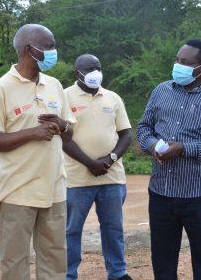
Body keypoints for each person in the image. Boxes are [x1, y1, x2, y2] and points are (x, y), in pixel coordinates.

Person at [137, 39, 201, 280]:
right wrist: (153, 146)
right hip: (161, 191)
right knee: (162, 260)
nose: (178, 66)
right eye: (177, 60)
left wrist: (184, 148)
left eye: (185, 62)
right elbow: (143, 128)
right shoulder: (162, 90)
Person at [0, 24, 75, 280]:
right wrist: (31, 133)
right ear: (28, 50)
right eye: (48, 46)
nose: (54, 51)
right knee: (14, 262)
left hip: (54, 189)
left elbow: (69, 135)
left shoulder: (54, 85)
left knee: (55, 258)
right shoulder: (1, 88)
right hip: (18, 191)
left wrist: (62, 123)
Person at [63, 54, 133, 280]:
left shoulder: (112, 97)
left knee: (113, 229)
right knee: (71, 231)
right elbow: (63, 139)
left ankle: (118, 272)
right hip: (76, 179)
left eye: (98, 67)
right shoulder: (63, 97)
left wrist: (110, 159)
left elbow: (126, 133)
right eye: (89, 68)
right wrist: (90, 163)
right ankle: (68, 274)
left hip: (111, 178)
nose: (95, 72)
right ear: (78, 73)